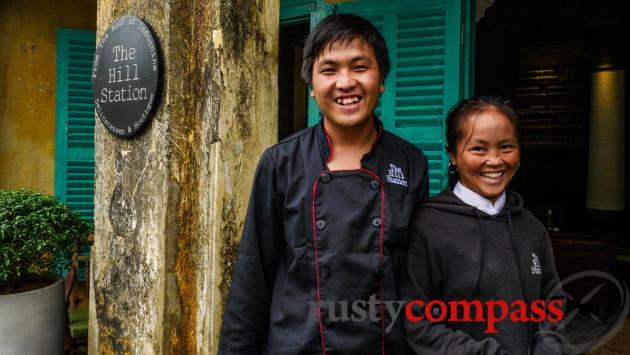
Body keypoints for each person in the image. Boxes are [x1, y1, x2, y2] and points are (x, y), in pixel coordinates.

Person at [218, 13, 429, 355]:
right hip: (300, 345)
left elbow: (418, 277)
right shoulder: (280, 163)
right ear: (313, 88)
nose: (345, 82)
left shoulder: (410, 163)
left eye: (360, 67)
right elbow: (252, 276)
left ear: (382, 80)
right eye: (329, 70)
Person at [399, 97, 565, 355]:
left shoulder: (532, 228)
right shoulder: (427, 227)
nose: (495, 160)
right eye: (479, 149)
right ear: (452, 154)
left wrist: (549, 347)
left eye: (506, 146)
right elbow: (417, 320)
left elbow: (551, 302)